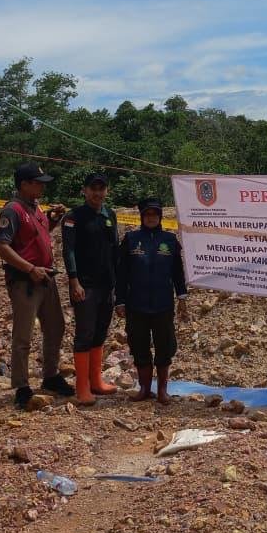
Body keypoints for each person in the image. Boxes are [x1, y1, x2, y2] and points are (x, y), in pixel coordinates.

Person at [0, 162, 72, 410]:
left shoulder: (35, 208)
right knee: (23, 335)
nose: (41, 187)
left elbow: (38, 235)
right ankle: (22, 386)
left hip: (46, 278)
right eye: (37, 183)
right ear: (24, 184)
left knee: (56, 326)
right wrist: (29, 268)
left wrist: (54, 220)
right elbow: (1, 246)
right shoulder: (13, 210)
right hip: (26, 281)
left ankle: (50, 375)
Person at [115, 197, 187, 404]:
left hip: (163, 304)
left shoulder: (170, 240)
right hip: (136, 304)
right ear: (142, 216)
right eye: (147, 214)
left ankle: (162, 390)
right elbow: (122, 274)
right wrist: (119, 301)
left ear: (160, 217)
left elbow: (177, 273)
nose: (151, 218)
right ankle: (145, 388)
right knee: (139, 345)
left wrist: (182, 298)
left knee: (164, 346)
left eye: (155, 214)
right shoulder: (131, 239)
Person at [62, 172, 120, 405]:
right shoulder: (73, 216)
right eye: (93, 189)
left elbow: (114, 249)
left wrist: (119, 282)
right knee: (84, 334)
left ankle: (96, 381)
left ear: (107, 191)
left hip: (107, 284)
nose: (98, 193)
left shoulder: (110, 215)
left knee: (100, 331)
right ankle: (82, 388)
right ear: (85, 191)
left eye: (102, 189)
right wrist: (74, 280)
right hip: (85, 285)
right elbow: (69, 251)